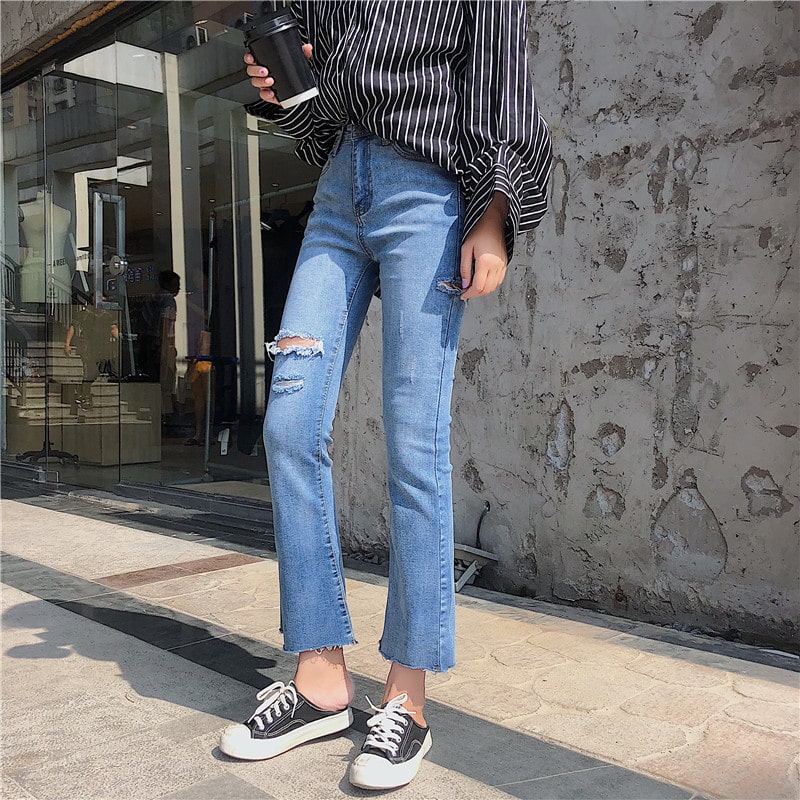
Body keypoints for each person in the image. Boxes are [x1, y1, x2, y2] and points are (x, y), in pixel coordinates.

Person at [219, 1, 552, 790]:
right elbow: (318, 120)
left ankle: (407, 698)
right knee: (291, 425)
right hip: (339, 192)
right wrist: (284, 87)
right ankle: (322, 680)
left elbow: (504, 88)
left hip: (428, 193)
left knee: (415, 442)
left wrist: (492, 215)